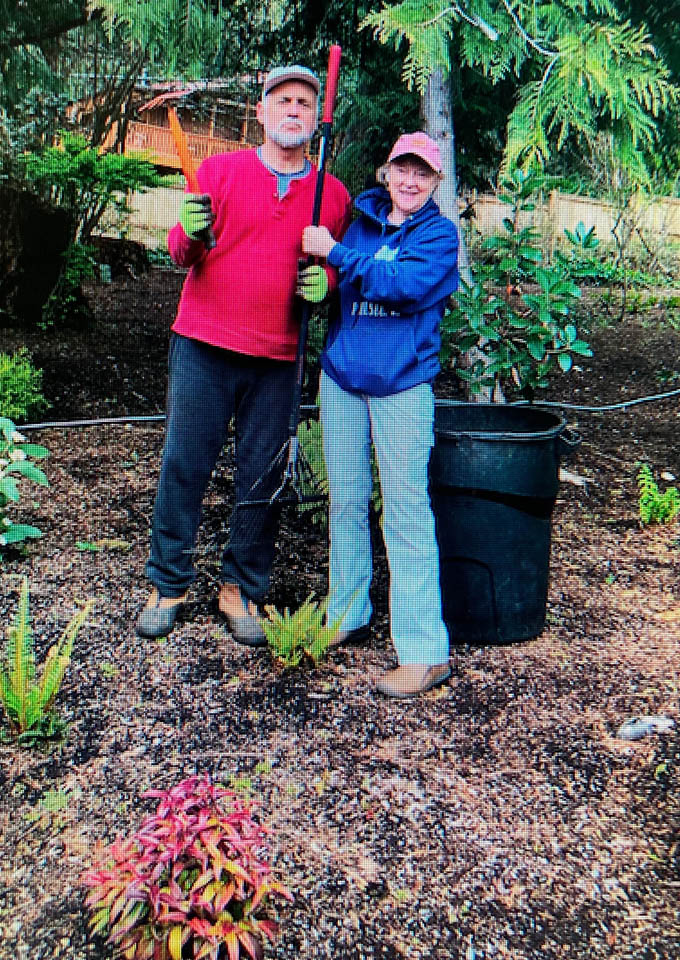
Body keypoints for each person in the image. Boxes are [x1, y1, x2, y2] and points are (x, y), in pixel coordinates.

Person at [136, 65, 351, 644]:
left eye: (305, 103)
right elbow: (183, 253)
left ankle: (242, 589)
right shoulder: (218, 171)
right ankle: (168, 582)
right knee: (184, 465)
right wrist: (185, 229)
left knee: (262, 477)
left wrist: (326, 286)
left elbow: (335, 268)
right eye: (281, 100)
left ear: (316, 119)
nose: (293, 110)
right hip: (205, 342)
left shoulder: (332, 194)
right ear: (260, 112)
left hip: (279, 356)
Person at [302, 131, 458, 698]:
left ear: (435, 182)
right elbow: (337, 282)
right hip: (343, 379)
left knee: (406, 514)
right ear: (385, 172)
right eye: (402, 169)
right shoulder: (359, 220)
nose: (410, 181)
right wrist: (322, 280)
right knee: (344, 502)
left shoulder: (439, 236)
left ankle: (424, 652)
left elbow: (404, 286)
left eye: (422, 173)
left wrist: (336, 255)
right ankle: (347, 612)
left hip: (401, 386)